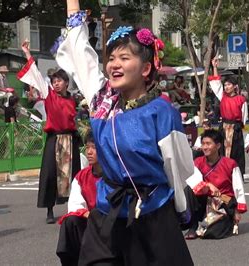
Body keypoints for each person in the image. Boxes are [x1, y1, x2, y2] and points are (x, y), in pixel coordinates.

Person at [55, 1, 194, 264]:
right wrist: (72, 5)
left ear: (145, 68)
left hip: (152, 215)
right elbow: (79, 51)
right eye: (111, 58)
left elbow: (176, 167)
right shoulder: (102, 103)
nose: (114, 65)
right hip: (109, 213)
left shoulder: (161, 111)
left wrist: (181, 209)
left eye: (124, 58)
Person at [18, 40, 81, 224]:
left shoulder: (73, 99)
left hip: (70, 140)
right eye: (53, 81)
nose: (56, 84)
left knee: (73, 175)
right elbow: (36, 75)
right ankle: (50, 210)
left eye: (59, 80)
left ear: (67, 82)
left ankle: (75, 206)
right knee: (50, 174)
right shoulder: (48, 95)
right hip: (54, 140)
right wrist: (27, 54)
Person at [184, 129, 247, 239]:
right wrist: (208, 185)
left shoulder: (230, 164)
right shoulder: (198, 162)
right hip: (205, 198)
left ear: (218, 146)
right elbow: (193, 181)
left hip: (223, 201)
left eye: (208, 144)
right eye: (203, 144)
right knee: (188, 189)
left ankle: (222, 221)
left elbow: (238, 188)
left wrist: (238, 210)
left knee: (213, 233)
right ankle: (193, 226)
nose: (204, 147)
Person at [56, 133, 101, 265]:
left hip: (110, 223)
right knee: (70, 222)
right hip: (91, 221)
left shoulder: (115, 174)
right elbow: (75, 205)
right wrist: (89, 215)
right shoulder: (82, 176)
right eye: (87, 147)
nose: (89, 152)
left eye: (94, 147)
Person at [209, 58, 248, 175]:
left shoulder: (241, 99)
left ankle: (236, 173)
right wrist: (215, 67)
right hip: (224, 126)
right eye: (225, 85)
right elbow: (216, 84)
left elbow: (244, 116)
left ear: (234, 86)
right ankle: (222, 171)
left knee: (236, 152)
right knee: (221, 150)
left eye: (229, 85)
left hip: (235, 128)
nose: (226, 87)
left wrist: (239, 127)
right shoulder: (223, 96)